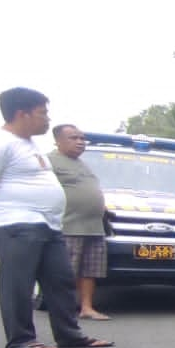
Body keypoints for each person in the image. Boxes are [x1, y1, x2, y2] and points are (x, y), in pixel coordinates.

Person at [0, 87, 112, 348]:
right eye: (43, 113)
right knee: (18, 283)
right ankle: (21, 340)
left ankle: (69, 335)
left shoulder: (28, 145)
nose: (47, 119)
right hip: (15, 224)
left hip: (48, 225)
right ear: (22, 113)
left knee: (61, 281)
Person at [49, 124, 111, 320]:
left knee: (89, 271)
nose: (80, 142)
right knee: (66, 272)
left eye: (82, 138)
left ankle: (87, 308)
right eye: (73, 138)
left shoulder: (82, 163)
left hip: (93, 227)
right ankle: (64, 311)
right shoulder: (49, 161)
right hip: (68, 226)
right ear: (57, 141)